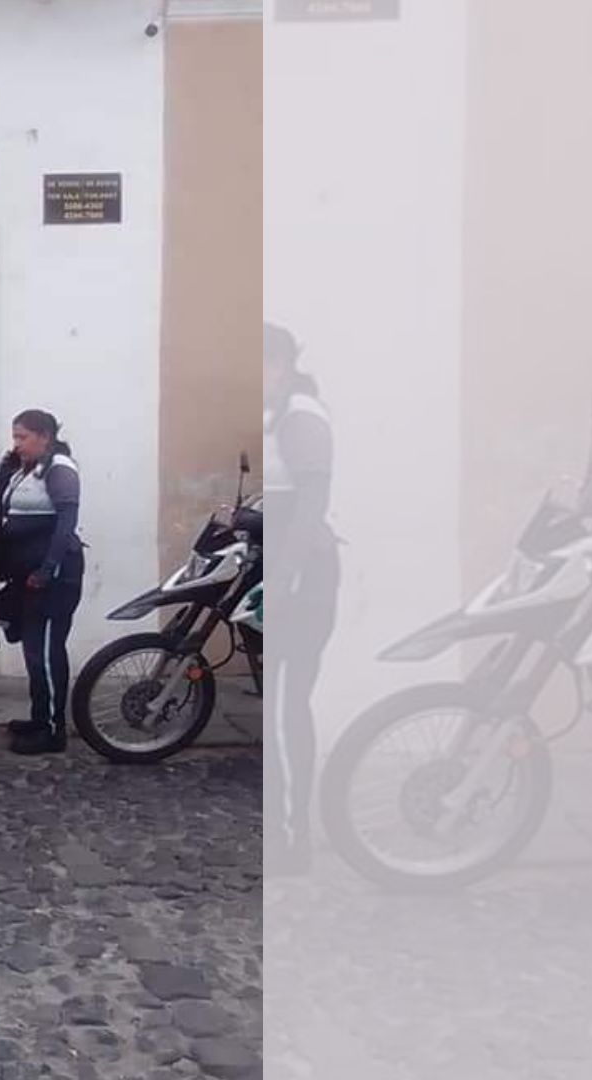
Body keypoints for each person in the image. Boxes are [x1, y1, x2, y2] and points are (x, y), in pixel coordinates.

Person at [264, 322, 337, 874]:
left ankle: (294, 838)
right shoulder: (275, 416)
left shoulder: (300, 417)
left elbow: (311, 503)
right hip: (282, 569)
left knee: (288, 703)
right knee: (279, 702)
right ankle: (283, 829)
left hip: (303, 575)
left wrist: (284, 577)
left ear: (283, 365)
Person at [0, 409, 86, 755]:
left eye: (22, 437)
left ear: (44, 436)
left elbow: (66, 524)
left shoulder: (60, 469)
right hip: (26, 574)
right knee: (33, 649)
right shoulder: (26, 470)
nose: (16, 444)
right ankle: (38, 716)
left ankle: (52, 731)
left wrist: (48, 570)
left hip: (53, 578)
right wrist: (6, 468)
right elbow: (5, 510)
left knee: (45, 652)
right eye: (14, 437)